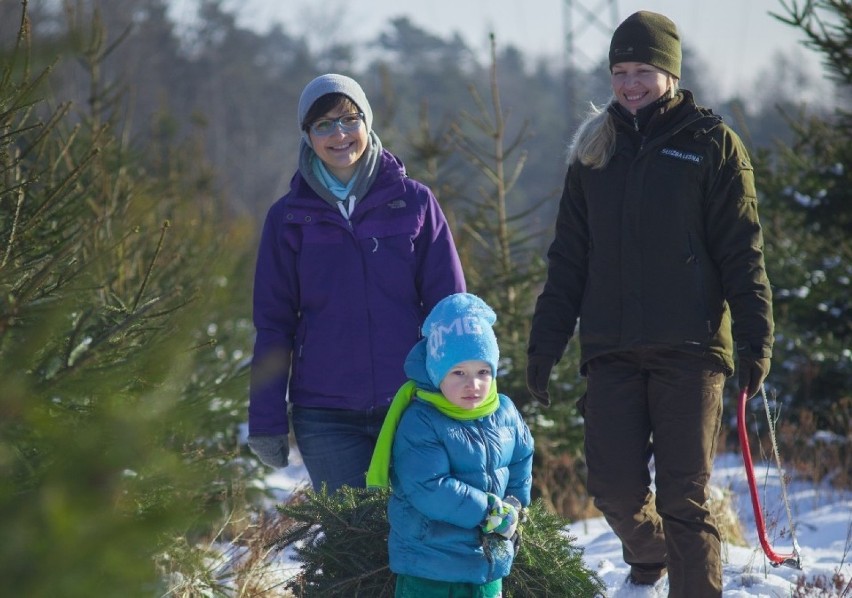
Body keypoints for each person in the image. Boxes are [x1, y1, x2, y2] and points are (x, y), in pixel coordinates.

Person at [525, 11, 773, 598]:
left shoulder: (711, 144)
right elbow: (568, 261)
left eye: (641, 69)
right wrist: (545, 345)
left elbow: (743, 252)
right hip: (610, 349)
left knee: (684, 496)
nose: (629, 83)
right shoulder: (593, 152)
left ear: (669, 72)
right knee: (611, 489)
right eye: (619, 71)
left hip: (690, 349)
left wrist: (757, 338)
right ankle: (652, 552)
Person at [247, 73, 466, 493]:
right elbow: (273, 325)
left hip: (410, 403)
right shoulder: (287, 217)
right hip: (325, 415)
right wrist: (266, 421)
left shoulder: (414, 201)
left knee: (417, 530)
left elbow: (451, 310)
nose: (339, 134)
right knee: (352, 541)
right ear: (308, 135)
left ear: (367, 122)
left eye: (349, 119)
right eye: (323, 125)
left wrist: (463, 394)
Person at [367, 293, 534, 598]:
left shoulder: (504, 411)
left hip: (486, 561)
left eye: (483, 372)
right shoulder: (422, 420)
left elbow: (522, 458)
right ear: (436, 372)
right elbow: (428, 486)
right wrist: (490, 513)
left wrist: (515, 505)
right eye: (459, 373)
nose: (474, 384)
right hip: (429, 563)